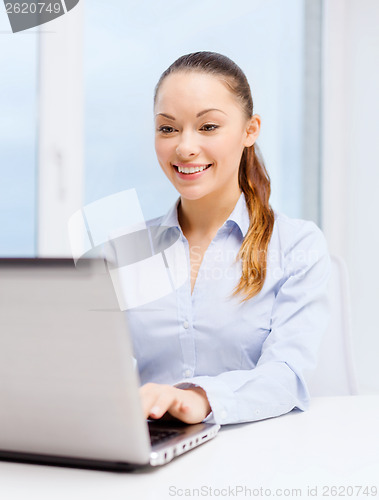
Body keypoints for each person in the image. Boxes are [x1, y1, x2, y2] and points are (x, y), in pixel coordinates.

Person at [125, 51, 331, 426]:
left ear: (250, 130)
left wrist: (201, 399)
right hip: (144, 452)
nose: (185, 147)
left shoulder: (298, 246)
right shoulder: (125, 253)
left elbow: (287, 375)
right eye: (167, 128)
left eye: (208, 127)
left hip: (252, 455)